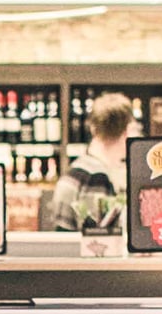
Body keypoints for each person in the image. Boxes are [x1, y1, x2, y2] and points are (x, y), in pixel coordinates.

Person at [44, 92, 136, 235]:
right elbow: (100, 241)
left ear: (93, 127)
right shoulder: (97, 179)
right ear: (126, 131)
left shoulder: (75, 172)